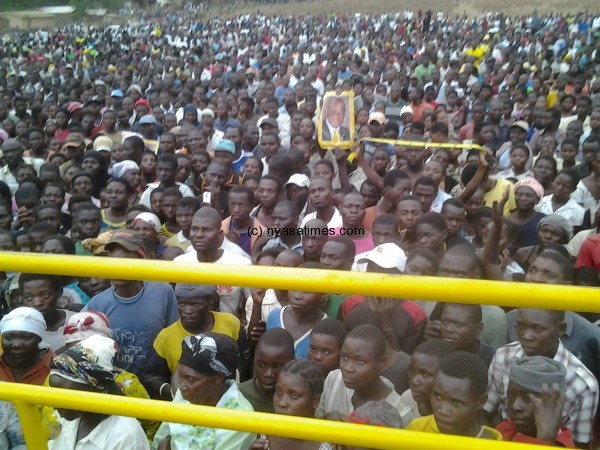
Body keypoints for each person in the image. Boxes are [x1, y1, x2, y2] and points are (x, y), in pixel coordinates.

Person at [482, 308, 599, 447]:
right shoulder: (503, 356)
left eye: (537, 329)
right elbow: (485, 413)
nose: (526, 335)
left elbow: (579, 444)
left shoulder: (583, 384)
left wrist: (544, 438)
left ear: (561, 329)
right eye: (520, 326)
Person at [84, 230, 179, 377]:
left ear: (140, 261)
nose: (118, 269)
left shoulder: (162, 291)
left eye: (125, 262)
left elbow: (174, 339)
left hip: (157, 382)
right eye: (113, 263)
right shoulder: (97, 304)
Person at [152, 332, 255, 450]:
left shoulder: (241, 419)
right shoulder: (185, 394)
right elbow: (159, 441)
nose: (181, 386)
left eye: (190, 379)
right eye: (180, 377)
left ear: (218, 377)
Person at [48, 335, 150, 450]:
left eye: (64, 397)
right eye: (54, 394)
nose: (55, 406)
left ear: (95, 389)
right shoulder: (65, 419)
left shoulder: (126, 435)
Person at [149, 283, 241, 398]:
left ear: (210, 301)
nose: (187, 310)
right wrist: (173, 393)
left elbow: (243, 360)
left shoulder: (230, 323)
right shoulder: (165, 337)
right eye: (182, 304)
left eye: (195, 304)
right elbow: (152, 375)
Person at [316, 324, 413, 425]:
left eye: (360, 361)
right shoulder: (334, 379)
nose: (348, 368)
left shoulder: (401, 414)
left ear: (381, 363)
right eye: (344, 357)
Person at [174, 207, 252, 316]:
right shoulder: (179, 263)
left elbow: (252, 303)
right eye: (195, 229)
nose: (199, 234)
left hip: (228, 331)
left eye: (206, 230)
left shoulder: (241, 264)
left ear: (220, 234)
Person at [407, 351, 502, 439]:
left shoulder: (491, 445)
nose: (443, 411)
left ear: (480, 402)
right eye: (437, 396)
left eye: (456, 403)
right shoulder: (418, 430)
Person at [496, 356, 575, 447]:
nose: (515, 406)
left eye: (527, 399)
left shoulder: (564, 445)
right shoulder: (504, 430)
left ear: (554, 406)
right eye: (511, 396)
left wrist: (546, 439)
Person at [251, 359, 328, 450]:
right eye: (278, 392)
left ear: (315, 401)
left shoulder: (333, 440)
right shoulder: (264, 436)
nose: (282, 403)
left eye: (294, 395)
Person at [266, 262, 328, 359]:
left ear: (323, 293)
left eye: (307, 290)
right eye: (293, 287)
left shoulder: (326, 329)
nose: (297, 296)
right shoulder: (274, 316)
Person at [239, 328, 295, 413]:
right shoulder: (238, 395)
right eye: (261, 365)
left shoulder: (297, 400)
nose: (268, 373)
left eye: (277, 367)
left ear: (292, 362)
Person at [400, 339, 455, 422]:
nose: (414, 381)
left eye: (425, 375)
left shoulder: (458, 410)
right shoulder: (407, 399)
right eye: (412, 371)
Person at [19, 273, 75, 351]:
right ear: (21, 298)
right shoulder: (19, 331)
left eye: (45, 295)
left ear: (59, 292)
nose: (37, 303)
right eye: (28, 297)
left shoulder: (78, 322)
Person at [0, 307, 54, 384]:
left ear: (39, 339)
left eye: (26, 337)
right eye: (9, 337)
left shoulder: (57, 370)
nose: (16, 345)